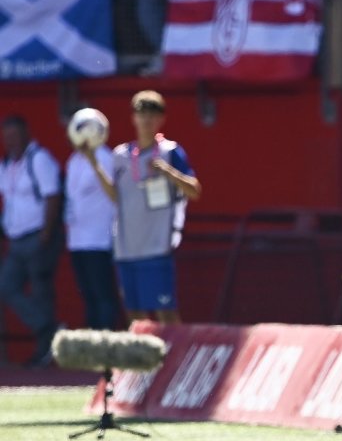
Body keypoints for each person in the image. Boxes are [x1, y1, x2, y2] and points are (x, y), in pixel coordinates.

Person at [82, 91, 201, 324]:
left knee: (165, 313)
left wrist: (169, 172)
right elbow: (116, 196)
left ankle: (175, 359)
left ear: (161, 120)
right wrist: (94, 163)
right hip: (126, 250)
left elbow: (195, 190)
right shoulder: (120, 155)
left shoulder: (170, 152)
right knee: (135, 318)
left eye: (152, 116)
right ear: (133, 118)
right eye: (142, 115)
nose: (146, 121)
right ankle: (143, 361)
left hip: (157, 248)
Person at [0, 116, 62, 367]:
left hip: (38, 236)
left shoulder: (40, 159)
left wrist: (46, 233)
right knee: (7, 286)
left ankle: (45, 350)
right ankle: (49, 328)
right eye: (7, 137)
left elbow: (52, 196)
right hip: (15, 240)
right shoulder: (6, 164)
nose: (11, 141)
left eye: (15, 136)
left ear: (26, 134)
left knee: (40, 293)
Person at [65, 114, 119, 331]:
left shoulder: (107, 158)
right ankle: (93, 354)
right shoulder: (72, 162)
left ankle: (106, 354)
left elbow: (115, 196)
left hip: (100, 241)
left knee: (103, 296)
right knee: (88, 297)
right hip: (76, 241)